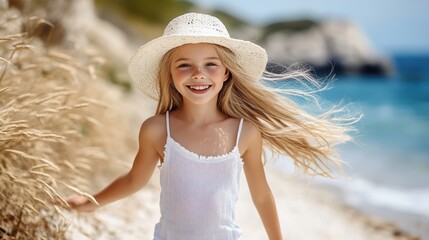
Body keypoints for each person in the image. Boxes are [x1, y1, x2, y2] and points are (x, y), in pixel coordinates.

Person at [66, 12, 355, 240]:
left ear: (227, 71)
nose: (198, 75)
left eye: (210, 64)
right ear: (169, 73)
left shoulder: (245, 132)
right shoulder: (157, 129)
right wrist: (92, 201)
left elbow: (262, 194)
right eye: (184, 65)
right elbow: (134, 180)